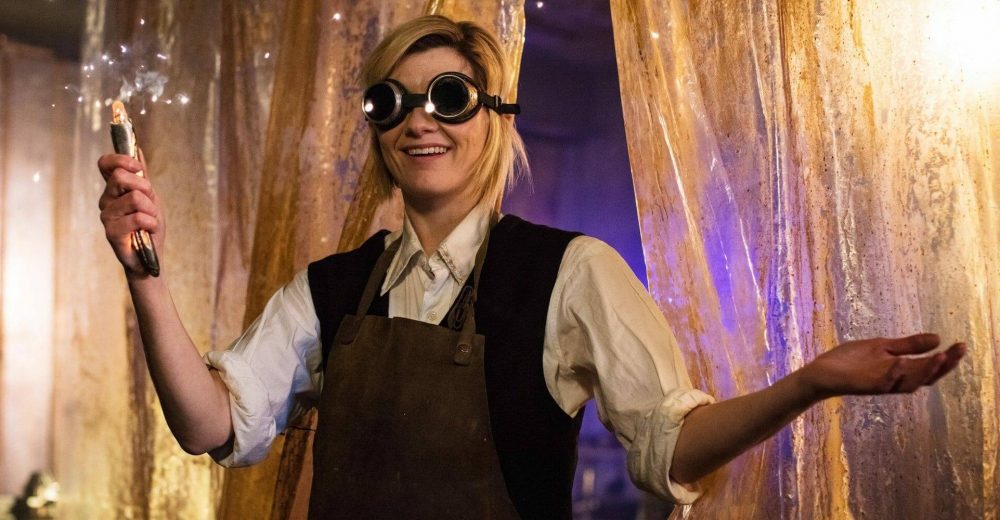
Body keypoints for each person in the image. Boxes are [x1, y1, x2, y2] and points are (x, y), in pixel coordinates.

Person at [97, 14, 966, 520]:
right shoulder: (331, 291)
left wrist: (809, 383)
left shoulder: (571, 273)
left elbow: (668, 444)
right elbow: (211, 425)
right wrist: (147, 279)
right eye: (392, 103)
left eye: (447, 98)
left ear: (494, 117)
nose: (419, 121)